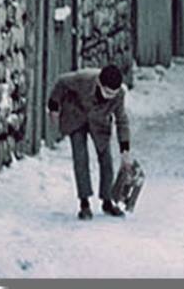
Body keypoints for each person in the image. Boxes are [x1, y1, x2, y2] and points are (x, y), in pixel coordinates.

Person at [48, 63, 131, 220]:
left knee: (106, 159)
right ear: (99, 83)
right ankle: (84, 203)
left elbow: (122, 121)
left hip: (100, 123)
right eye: (107, 92)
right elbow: (61, 82)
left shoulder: (119, 94)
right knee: (80, 158)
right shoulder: (84, 78)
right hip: (76, 116)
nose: (110, 96)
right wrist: (53, 107)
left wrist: (125, 149)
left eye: (114, 93)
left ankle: (107, 201)